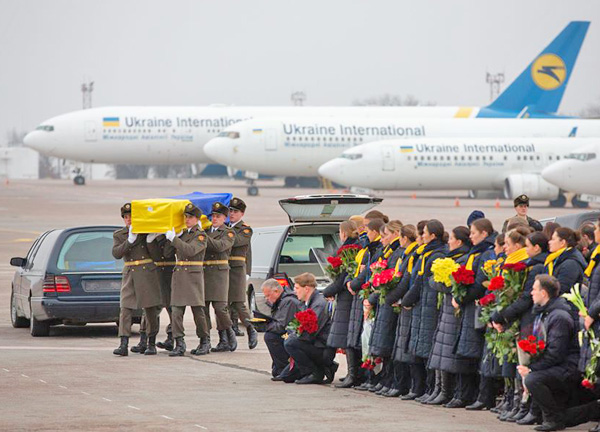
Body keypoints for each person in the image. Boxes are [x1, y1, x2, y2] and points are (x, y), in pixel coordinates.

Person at [491, 231, 549, 423]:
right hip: (520, 318)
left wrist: (502, 314)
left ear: (536, 247)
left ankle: (527, 406)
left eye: (528, 245)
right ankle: (518, 403)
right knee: (517, 362)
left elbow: (525, 297)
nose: (526, 249)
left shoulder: (535, 267)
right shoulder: (529, 265)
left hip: (528, 319)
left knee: (526, 364)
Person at [518, 275, 580, 431]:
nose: (531, 293)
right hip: (558, 365)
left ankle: (553, 419)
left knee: (533, 379)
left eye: (534, 289)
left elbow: (556, 353)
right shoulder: (545, 313)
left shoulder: (559, 316)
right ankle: (545, 415)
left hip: (568, 367)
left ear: (544, 293)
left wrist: (532, 369)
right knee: (529, 375)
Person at [428, 226, 474, 408]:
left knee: (449, 353)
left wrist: (440, 281)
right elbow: (433, 280)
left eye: (452, 238)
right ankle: (440, 390)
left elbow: (448, 285)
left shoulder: (461, 260)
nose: (449, 241)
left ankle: (449, 392)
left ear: (460, 242)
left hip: (454, 312)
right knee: (441, 350)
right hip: (447, 309)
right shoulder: (451, 258)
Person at [403, 219, 447, 404]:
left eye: (424, 233)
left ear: (433, 235)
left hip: (428, 306)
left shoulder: (435, 254)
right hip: (421, 305)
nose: (421, 236)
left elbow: (421, 281)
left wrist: (407, 299)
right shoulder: (424, 253)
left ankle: (428, 388)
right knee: (416, 348)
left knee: (426, 350)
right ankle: (419, 388)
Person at [112, 203, 163, 356]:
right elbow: (116, 253)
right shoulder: (120, 234)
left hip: (147, 272)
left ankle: (150, 341)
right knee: (126, 308)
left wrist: (150, 241)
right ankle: (123, 343)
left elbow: (157, 256)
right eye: (126, 217)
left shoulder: (144, 232)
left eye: (131, 217)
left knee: (149, 309)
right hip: (130, 272)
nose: (128, 220)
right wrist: (130, 241)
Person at [458, 218, 497, 411]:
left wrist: (461, 298)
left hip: (480, 308)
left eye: (473, 233)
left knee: (482, 354)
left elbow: (481, 282)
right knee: (473, 353)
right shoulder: (477, 252)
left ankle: (483, 396)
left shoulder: (486, 253)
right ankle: (473, 394)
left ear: (484, 234)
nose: (470, 236)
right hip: (472, 307)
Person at [162, 203, 210, 357]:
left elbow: (190, 251)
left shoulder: (200, 235)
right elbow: (167, 252)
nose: (187, 220)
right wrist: (169, 238)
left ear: (197, 219)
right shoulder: (182, 234)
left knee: (198, 311)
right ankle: (179, 342)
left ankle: (204, 341)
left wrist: (174, 239)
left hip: (193, 276)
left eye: (190, 217)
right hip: (180, 276)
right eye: (186, 217)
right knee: (176, 311)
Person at [365, 220, 404, 396]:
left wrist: (377, 296)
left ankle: (390, 381)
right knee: (383, 344)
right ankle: (384, 379)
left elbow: (395, 281)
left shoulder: (397, 254)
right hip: (384, 302)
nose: (382, 239)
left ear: (396, 234)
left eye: (386, 235)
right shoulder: (388, 252)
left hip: (389, 303)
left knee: (388, 344)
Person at [348, 219, 385, 391]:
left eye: (368, 230)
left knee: (371, 338)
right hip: (368, 297)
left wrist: (358, 287)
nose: (365, 233)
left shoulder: (378, 250)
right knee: (366, 338)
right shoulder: (370, 249)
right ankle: (369, 376)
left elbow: (371, 274)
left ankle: (374, 377)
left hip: (373, 298)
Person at [322, 221, 360, 387]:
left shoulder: (349, 250)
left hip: (347, 299)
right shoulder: (354, 247)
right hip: (346, 297)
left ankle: (353, 374)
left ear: (344, 232)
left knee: (348, 338)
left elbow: (342, 278)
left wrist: (327, 292)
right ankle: (352, 373)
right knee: (347, 338)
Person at [283, 273, 333, 384]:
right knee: (286, 377)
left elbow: (311, 331)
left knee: (290, 343)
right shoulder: (308, 302)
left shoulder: (318, 304)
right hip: (314, 345)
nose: (294, 291)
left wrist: (294, 336)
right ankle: (323, 368)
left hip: (322, 347)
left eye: (296, 288)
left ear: (306, 289)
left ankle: (314, 373)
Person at [204, 202, 237, 352]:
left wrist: (203, 236)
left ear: (225, 218)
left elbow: (219, 246)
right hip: (204, 273)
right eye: (213, 216)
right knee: (203, 309)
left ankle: (229, 334)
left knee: (220, 308)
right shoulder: (205, 231)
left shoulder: (228, 232)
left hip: (219, 273)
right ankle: (207, 340)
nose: (215, 218)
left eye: (218, 216)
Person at [226, 197, 258, 349]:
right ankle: (227, 336)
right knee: (224, 305)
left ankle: (251, 329)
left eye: (235, 211)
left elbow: (236, 242)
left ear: (242, 213)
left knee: (239, 303)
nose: (232, 214)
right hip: (224, 270)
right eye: (230, 211)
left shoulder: (245, 229)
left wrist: (248, 271)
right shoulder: (225, 227)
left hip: (237, 269)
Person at [262, 279, 302, 380]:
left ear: (276, 291)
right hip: (289, 332)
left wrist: (265, 325)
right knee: (271, 335)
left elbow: (281, 326)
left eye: (268, 296)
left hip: (293, 334)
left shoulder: (288, 301)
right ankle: (280, 367)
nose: (267, 299)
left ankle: (284, 367)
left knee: (270, 337)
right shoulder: (282, 301)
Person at [545, 227, 587, 318]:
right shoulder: (559, 258)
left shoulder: (570, 263)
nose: (549, 242)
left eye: (553, 239)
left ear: (562, 242)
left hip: (567, 311)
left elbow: (561, 289)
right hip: (560, 309)